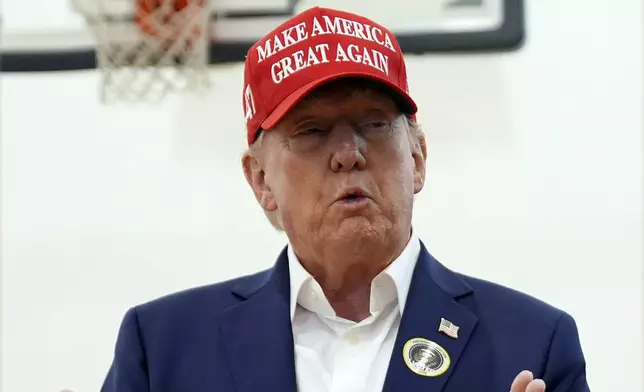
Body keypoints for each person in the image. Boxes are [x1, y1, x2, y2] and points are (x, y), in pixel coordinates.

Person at [101, 6, 590, 392]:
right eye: (311, 131)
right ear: (260, 180)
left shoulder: (534, 346)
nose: (348, 154)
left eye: (373, 124)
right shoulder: (162, 347)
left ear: (417, 158)